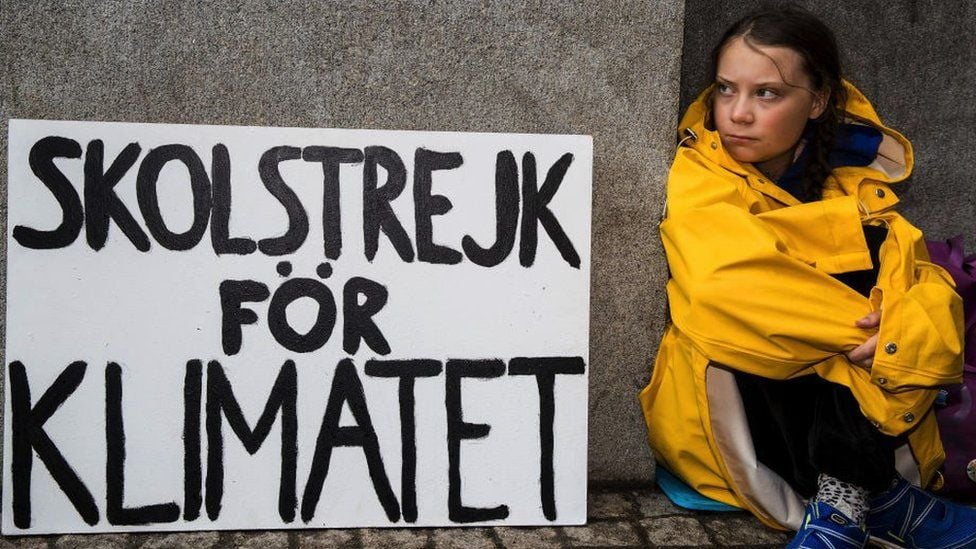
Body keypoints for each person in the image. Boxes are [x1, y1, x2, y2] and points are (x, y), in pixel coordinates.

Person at [639, 6, 976, 548]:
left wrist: (899, 326)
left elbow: (926, 285)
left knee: (871, 264)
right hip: (743, 412)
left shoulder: (854, 180)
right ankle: (869, 497)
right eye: (726, 90)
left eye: (767, 94)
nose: (738, 114)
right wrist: (884, 340)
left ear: (816, 102)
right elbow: (725, 285)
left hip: (844, 418)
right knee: (774, 309)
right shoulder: (700, 171)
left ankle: (853, 497)